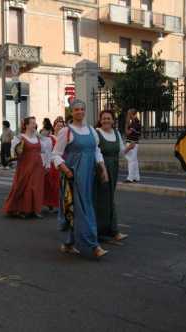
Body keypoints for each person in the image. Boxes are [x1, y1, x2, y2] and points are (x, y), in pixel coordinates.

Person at [52, 99, 109, 258]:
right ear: (71, 112)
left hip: (89, 175)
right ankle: (94, 245)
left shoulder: (91, 130)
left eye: (82, 109)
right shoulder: (66, 132)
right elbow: (55, 155)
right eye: (76, 110)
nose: (80, 112)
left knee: (77, 209)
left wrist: (103, 168)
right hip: (74, 177)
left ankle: (69, 243)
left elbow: (96, 151)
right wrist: (67, 172)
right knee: (84, 209)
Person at [94, 111, 134, 243]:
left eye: (108, 118)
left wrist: (129, 148)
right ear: (100, 120)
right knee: (102, 199)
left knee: (110, 197)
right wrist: (102, 169)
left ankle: (110, 230)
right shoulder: (97, 133)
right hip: (101, 168)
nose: (106, 120)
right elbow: (95, 152)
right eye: (103, 118)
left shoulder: (116, 133)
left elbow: (121, 152)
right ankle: (106, 230)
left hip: (114, 167)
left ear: (113, 121)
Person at [3, 117, 46, 219]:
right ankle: (23, 209)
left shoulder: (38, 138)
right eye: (32, 123)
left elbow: (44, 150)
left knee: (36, 188)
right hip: (25, 166)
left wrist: (46, 163)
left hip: (37, 166)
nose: (34, 125)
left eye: (35, 123)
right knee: (24, 187)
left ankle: (35, 210)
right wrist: (17, 149)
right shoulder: (20, 137)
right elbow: (15, 151)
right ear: (26, 125)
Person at [41, 118, 60, 212]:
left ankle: (59, 204)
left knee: (59, 186)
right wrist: (46, 164)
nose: (60, 127)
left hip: (62, 163)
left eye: (62, 126)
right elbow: (46, 152)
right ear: (54, 127)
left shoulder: (65, 137)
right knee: (52, 185)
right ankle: (51, 204)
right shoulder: (50, 138)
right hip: (52, 164)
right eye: (58, 125)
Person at [125, 108, 141, 183]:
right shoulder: (136, 122)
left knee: (131, 160)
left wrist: (126, 124)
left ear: (132, 114)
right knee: (134, 160)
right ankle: (136, 177)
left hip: (132, 142)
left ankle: (130, 178)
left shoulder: (134, 123)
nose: (128, 115)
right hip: (134, 142)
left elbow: (127, 133)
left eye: (129, 114)